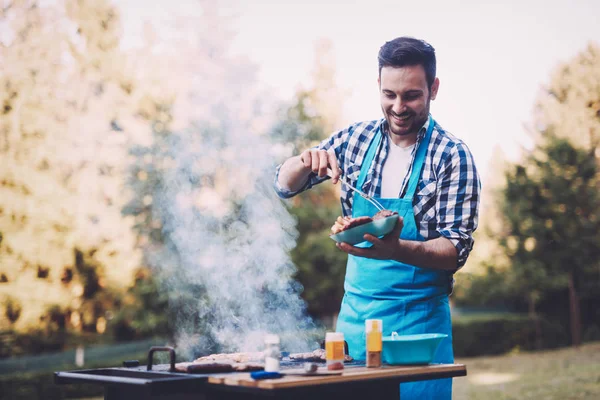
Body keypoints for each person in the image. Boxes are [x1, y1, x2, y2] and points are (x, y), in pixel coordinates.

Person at [274, 36, 481, 399]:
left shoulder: (452, 156)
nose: (398, 107)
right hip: (354, 329)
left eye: (412, 96)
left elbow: (454, 250)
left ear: (433, 88)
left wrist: (395, 249)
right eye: (389, 94)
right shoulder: (355, 140)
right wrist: (304, 160)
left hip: (419, 334)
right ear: (379, 86)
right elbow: (284, 185)